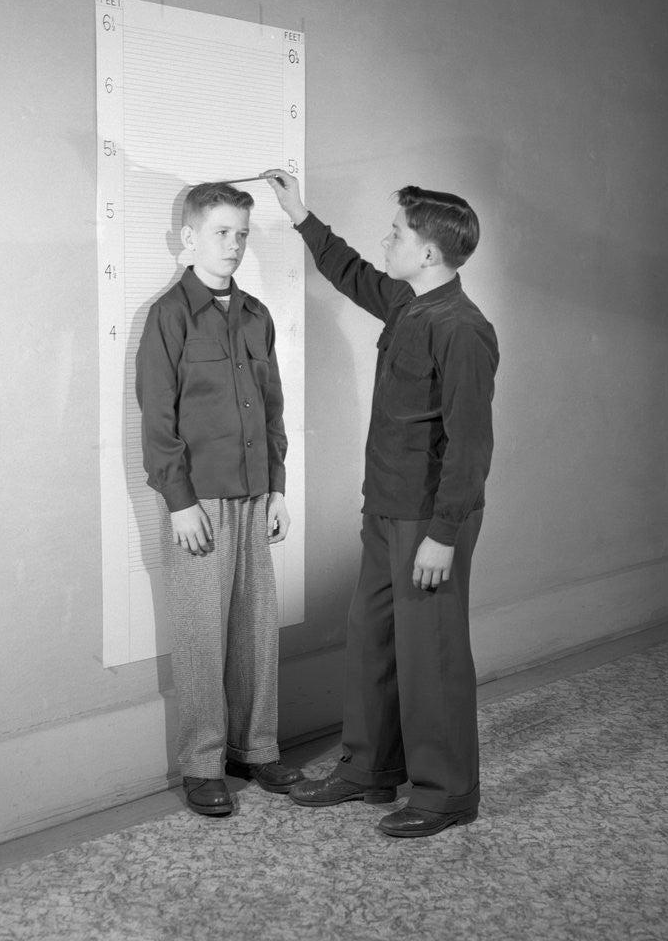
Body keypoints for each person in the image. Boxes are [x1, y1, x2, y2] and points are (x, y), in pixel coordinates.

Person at [263, 168, 499, 838]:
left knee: (432, 656)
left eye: (396, 233)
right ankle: (369, 769)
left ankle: (446, 792)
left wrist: (444, 534)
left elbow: (470, 443)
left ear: (428, 252)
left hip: (429, 519)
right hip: (385, 510)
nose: (386, 240)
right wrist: (300, 215)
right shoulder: (408, 302)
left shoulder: (460, 328)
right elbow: (352, 272)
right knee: (372, 641)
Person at [135, 181, 303, 816]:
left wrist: (278, 488)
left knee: (257, 628)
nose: (232, 245)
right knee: (203, 629)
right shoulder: (169, 315)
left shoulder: (257, 315)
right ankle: (203, 763)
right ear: (189, 238)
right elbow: (158, 418)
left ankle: (256, 748)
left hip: (257, 494)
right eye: (220, 233)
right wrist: (179, 501)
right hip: (199, 502)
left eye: (240, 233)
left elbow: (274, 409)